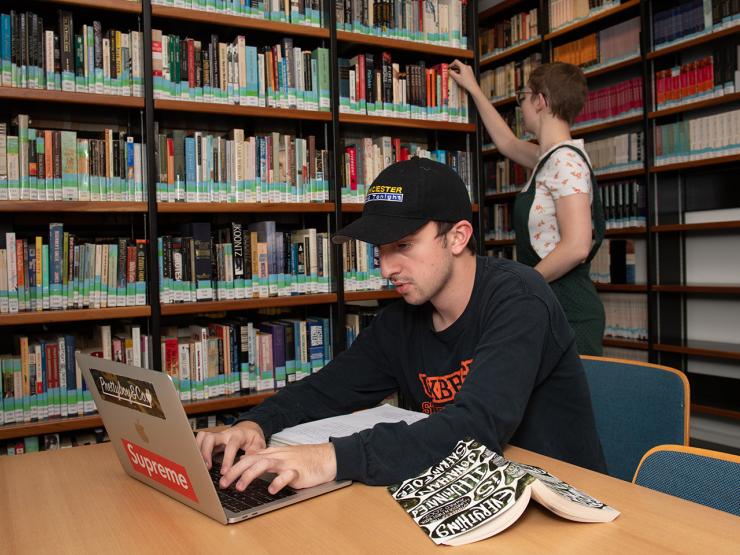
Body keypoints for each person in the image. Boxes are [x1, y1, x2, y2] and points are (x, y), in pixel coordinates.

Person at [196, 157, 606, 497]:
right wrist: (256, 424)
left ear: (458, 236)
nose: (387, 268)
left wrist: (330, 457)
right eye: (381, 251)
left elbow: (475, 428)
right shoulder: (402, 319)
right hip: (461, 493)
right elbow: (328, 389)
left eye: (404, 246)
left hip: (555, 501)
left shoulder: (519, 300)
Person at [449, 60, 606, 356]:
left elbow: (576, 246)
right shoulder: (548, 159)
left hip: (570, 309)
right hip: (553, 301)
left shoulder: (564, 161)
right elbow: (508, 143)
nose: (521, 106)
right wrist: (473, 88)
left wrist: (520, 284)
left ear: (540, 100)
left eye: (523, 97)